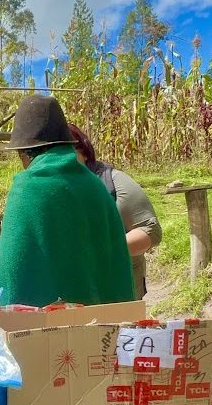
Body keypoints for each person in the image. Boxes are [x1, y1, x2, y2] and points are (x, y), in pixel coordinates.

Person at [0, 95, 134, 307]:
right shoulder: (95, 186)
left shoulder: (28, 187)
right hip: (104, 328)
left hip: (45, 333)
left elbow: (9, 272)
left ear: (25, 153)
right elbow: (116, 268)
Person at [68, 123, 162, 300]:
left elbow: (151, 231)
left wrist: (99, 251)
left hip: (119, 290)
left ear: (84, 152)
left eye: (67, 154)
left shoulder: (113, 182)